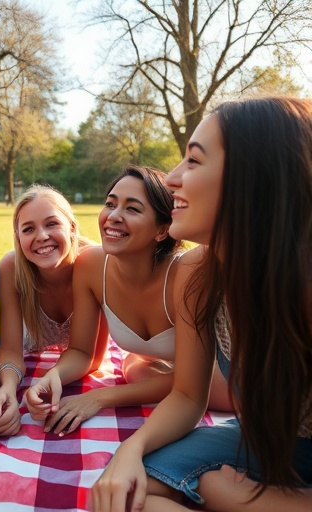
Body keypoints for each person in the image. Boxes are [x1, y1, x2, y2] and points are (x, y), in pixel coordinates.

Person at [90, 97, 312, 512]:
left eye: (193, 161)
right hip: (269, 443)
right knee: (128, 495)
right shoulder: (200, 273)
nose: (172, 178)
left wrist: (222, 491)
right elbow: (190, 394)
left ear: (253, 178)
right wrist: (130, 450)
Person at [24, 166, 231, 436]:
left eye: (132, 209)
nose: (113, 216)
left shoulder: (186, 272)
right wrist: (54, 375)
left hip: (229, 377)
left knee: (138, 370)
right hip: (171, 372)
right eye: (110, 204)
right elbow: (82, 352)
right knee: (134, 368)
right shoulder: (90, 264)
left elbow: (190, 387)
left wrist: (98, 397)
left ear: (162, 229)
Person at [0, 184, 109, 436]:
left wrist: (53, 375)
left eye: (52, 224)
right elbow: (10, 350)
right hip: (29, 353)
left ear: (72, 228)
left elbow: (93, 357)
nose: (41, 236)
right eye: (29, 229)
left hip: (77, 364)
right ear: (18, 237)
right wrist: (9, 387)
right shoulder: (11, 268)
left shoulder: (95, 264)